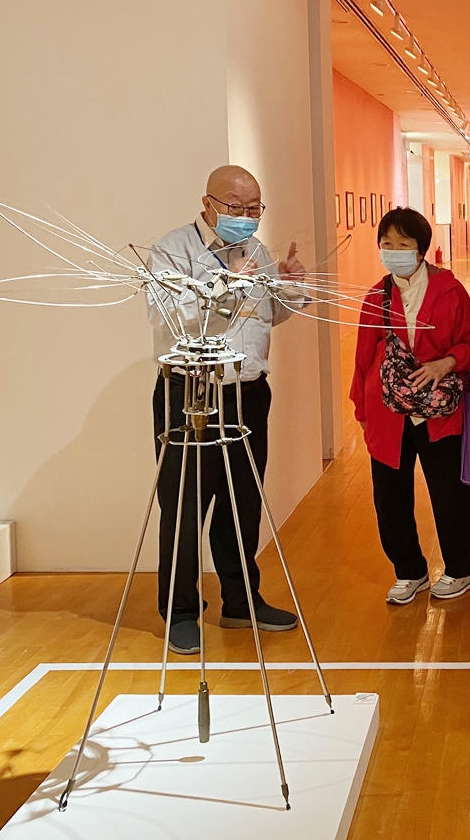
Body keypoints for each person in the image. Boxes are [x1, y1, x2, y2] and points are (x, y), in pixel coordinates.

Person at [145, 165, 308, 655]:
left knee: (243, 501)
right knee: (184, 504)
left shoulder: (257, 251)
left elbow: (266, 317)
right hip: (191, 392)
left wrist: (289, 287)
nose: (246, 217)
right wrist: (226, 287)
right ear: (208, 203)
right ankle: (180, 611)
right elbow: (171, 319)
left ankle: (240, 601)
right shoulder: (173, 251)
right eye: (236, 207)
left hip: (248, 393)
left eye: (254, 208)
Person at [350, 207, 470, 605]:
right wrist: (362, 410)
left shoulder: (449, 290)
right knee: (389, 497)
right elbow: (363, 357)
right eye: (386, 244)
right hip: (387, 412)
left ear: (421, 249)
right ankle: (409, 571)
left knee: (452, 493)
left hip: (440, 409)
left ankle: (463, 569)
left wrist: (447, 363)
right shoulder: (376, 296)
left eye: (403, 244)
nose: (393, 251)